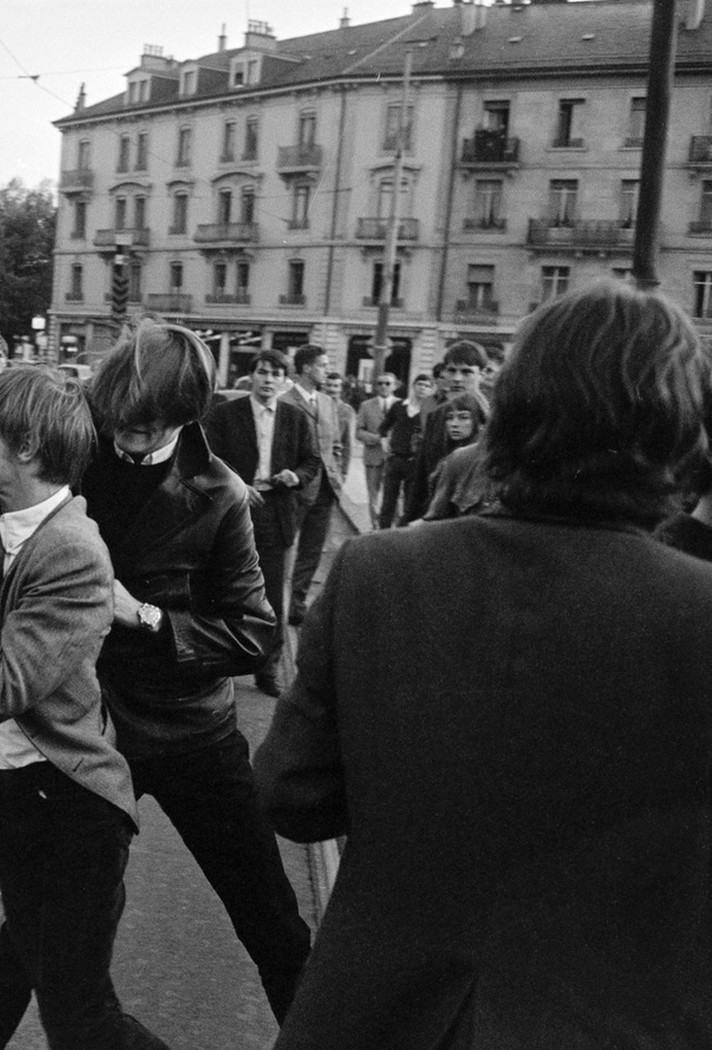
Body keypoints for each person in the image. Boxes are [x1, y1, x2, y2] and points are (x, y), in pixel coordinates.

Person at [255, 281, 712, 1048]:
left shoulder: (378, 573)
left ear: (514, 411)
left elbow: (292, 793)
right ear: (674, 431)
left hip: (379, 1016)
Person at [0, 366, 169, 1050]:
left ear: (28, 447)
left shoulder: (73, 551)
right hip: (18, 797)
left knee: (79, 1017)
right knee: (17, 965)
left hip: (72, 815)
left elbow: (1, 689)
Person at [81, 322, 310, 1020]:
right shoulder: (82, 448)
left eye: (147, 427)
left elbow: (256, 632)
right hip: (90, 728)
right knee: (47, 928)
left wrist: (145, 616)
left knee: (271, 920)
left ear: (185, 417)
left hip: (190, 734)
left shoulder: (220, 493)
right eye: (121, 419)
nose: (129, 437)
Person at [203, 349, 319, 696]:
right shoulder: (225, 415)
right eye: (263, 372)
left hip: (276, 511)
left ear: (286, 381)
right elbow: (208, 458)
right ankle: (215, 662)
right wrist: (237, 486)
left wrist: (294, 477)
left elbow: (312, 462)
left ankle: (268, 669)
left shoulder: (296, 419)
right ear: (250, 376)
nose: (268, 380)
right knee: (219, 585)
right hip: (231, 509)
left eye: (276, 374)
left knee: (271, 595)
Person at [279, 345, 343, 625]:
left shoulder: (328, 403)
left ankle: (296, 602)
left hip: (326, 488)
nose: (327, 371)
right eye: (322, 365)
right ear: (306, 368)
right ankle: (275, 601)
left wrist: (337, 473)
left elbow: (336, 444)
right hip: (295, 487)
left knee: (313, 550)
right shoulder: (284, 401)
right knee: (283, 547)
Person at [404, 340, 487, 521]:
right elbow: (422, 473)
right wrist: (409, 517)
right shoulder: (437, 415)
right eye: (451, 370)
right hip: (436, 514)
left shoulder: (492, 416)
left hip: (472, 517)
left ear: (482, 374)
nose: (457, 379)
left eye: (466, 372)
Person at [418, 391, 495, 522]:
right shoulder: (449, 456)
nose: (454, 423)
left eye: (463, 417)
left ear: (481, 422)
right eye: (450, 418)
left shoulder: (486, 459)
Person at [376, 372, 434, 528]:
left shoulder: (431, 411)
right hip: (395, 459)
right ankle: (383, 535)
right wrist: (384, 441)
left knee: (410, 503)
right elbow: (383, 427)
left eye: (427, 386)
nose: (422, 388)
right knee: (388, 501)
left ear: (430, 390)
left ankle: (402, 537)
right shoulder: (399, 406)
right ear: (414, 386)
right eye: (420, 384)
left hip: (415, 462)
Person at [355, 374, 398, 523]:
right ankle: (375, 525)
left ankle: (395, 527)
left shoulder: (402, 405)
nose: (384, 386)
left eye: (388, 383)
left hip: (395, 458)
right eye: (380, 383)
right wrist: (378, 439)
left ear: (394, 386)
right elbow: (358, 432)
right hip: (373, 456)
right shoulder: (366, 406)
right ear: (375, 386)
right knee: (373, 494)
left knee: (395, 494)